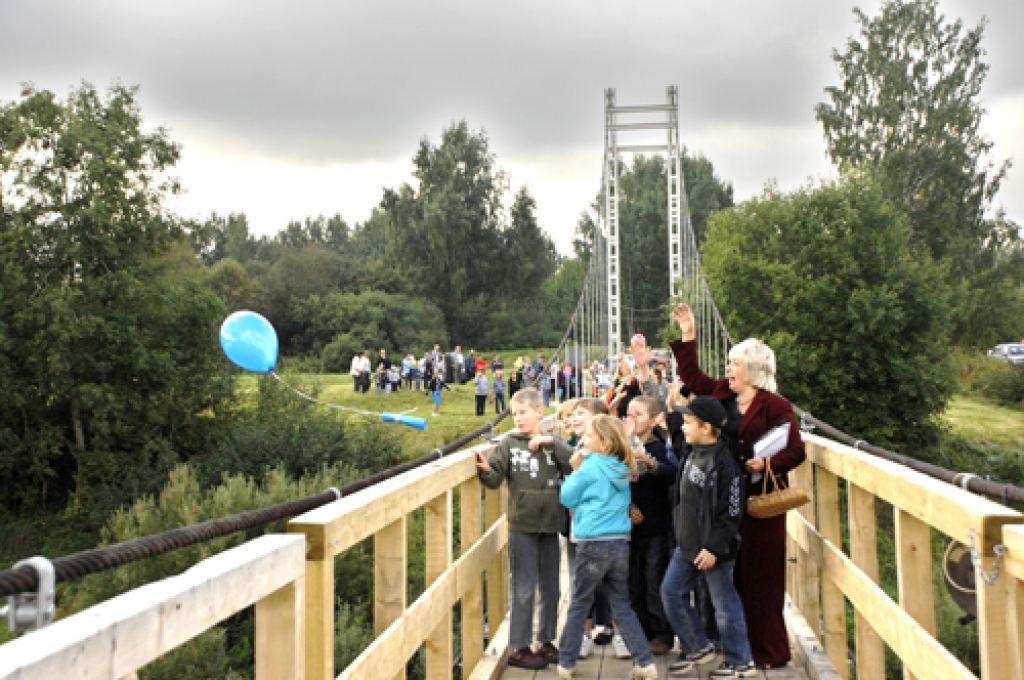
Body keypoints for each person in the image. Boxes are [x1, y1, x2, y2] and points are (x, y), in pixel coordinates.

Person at [668, 303, 806, 669]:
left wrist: (769, 464)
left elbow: (796, 450)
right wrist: (688, 335)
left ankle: (768, 652)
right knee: (730, 579)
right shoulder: (722, 395)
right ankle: (735, 649)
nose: (728, 370)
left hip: (760, 505)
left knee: (762, 581)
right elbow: (692, 379)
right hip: (723, 501)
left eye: (735, 364)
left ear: (754, 369)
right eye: (729, 364)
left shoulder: (775, 406)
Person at [476, 389, 574, 670]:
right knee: (524, 587)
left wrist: (552, 441)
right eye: (514, 413)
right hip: (522, 525)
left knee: (551, 586)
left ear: (540, 412)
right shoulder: (508, 444)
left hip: (551, 524)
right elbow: (495, 478)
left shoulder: (553, 443)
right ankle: (519, 647)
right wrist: (485, 470)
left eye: (523, 412)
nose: (517, 418)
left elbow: (575, 464)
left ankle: (545, 640)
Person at [556, 415, 658, 679]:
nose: (583, 440)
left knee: (580, 602)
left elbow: (566, 496)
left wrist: (575, 470)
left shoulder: (590, 466)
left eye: (588, 436)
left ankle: (566, 661)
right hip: (619, 543)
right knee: (621, 604)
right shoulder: (622, 468)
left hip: (592, 544)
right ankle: (645, 661)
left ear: (604, 443)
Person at [661, 396, 756, 678]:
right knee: (671, 592)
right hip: (687, 545)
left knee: (724, 607)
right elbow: (674, 431)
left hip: (715, 550)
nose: (683, 427)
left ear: (707, 428)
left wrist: (714, 547)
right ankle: (697, 646)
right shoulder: (690, 451)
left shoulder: (726, 467)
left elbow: (732, 513)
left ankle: (740, 661)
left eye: (689, 423)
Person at [623, 396, 678, 657]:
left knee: (654, 579)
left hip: (657, 526)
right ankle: (640, 633)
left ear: (655, 420)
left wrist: (649, 462)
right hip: (628, 527)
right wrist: (628, 506)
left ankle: (661, 633)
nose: (632, 419)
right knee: (633, 583)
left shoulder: (659, 447)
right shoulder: (620, 448)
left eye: (639, 414)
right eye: (629, 414)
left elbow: (672, 474)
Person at [565, 398, 614, 656]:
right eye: (572, 415)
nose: (574, 418)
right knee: (582, 581)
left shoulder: (606, 452)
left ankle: (605, 626)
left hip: (606, 527)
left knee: (607, 580)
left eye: (580, 414)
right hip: (582, 527)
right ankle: (583, 634)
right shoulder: (576, 448)